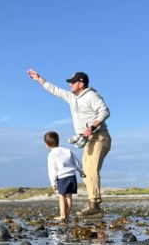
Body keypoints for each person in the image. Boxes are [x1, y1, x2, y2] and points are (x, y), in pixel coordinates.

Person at [28, 69, 111, 216]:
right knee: (86, 172)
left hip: (100, 137)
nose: (70, 85)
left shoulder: (91, 95)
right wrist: (39, 79)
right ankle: (94, 206)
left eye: (73, 82)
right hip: (88, 141)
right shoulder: (72, 97)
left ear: (81, 83)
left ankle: (94, 205)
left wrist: (92, 126)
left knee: (91, 170)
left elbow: (105, 111)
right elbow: (55, 90)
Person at [43, 131, 83, 222]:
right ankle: (67, 215)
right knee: (69, 197)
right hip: (72, 176)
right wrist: (81, 171)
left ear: (47, 144)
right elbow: (77, 162)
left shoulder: (52, 154)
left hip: (62, 177)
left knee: (61, 196)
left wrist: (53, 183)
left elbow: (52, 169)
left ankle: (62, 215)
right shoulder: (67, 150)